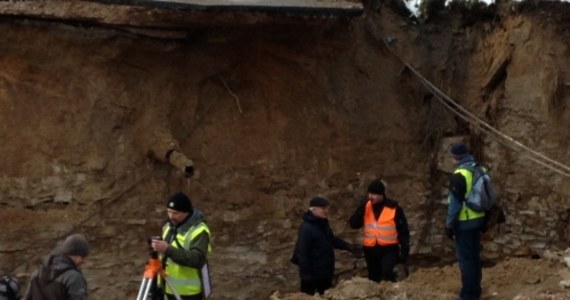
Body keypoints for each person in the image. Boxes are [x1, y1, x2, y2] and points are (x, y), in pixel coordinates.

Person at [291, 197, 360, 296]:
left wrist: (349, 247)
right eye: (323, 208)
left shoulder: (323, 224)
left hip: (324, 271)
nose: (326, 211)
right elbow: (302, 251)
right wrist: (305, 273)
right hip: (312, 273)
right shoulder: (306, 228)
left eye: (327, 208)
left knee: (327, 295)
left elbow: (332, 239)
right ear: (313, 209)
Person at [150, 192, 211, 300]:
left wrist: (167, 249)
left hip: (189, 292)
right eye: (169, 212)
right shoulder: (169, 226)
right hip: (167, 288)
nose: (171, 216)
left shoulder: (199, 230)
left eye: (175, 213)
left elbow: (197, 259)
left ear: (186, 212)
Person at [349, 179, 410, 282]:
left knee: (387, 272)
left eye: (374, 194)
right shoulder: (365, 207)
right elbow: (354, 224)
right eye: (369, 193)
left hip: (389, 248)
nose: (370, 196)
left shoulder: (394, 208)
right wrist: (361, 208)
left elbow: (403, 231)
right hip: (370, 249)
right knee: (374, 277)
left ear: (381, 194)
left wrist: (404, 251)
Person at [446, 142, 485, 300]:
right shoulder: (478, 168)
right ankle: (476, 290)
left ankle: (468, 295)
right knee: (475, 257)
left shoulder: (459, 174)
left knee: (466, 260)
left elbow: (455, 205)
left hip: (464, 222)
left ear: (456, 157)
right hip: (478, 219)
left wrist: (449, 224)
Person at [25, 233, 90, 300]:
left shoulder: (36, 273)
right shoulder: (73, 278)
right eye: (83, 256)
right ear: (76, 254)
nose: (83, 261)